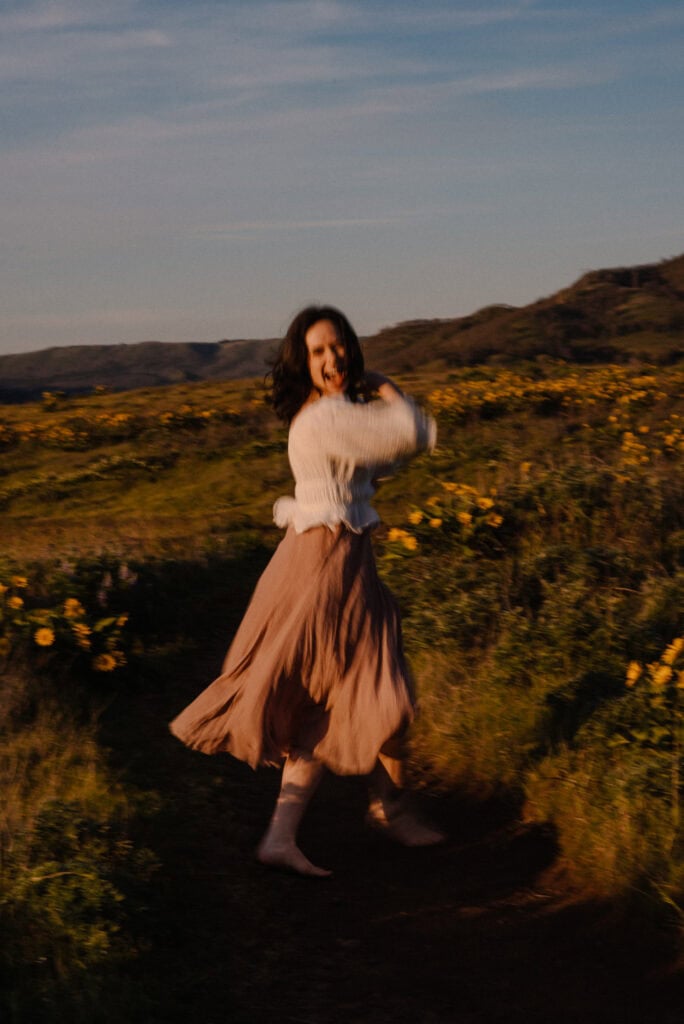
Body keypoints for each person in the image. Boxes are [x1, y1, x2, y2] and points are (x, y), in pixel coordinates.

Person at [170, 305, 443, 876]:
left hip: (344, 562)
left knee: (378, 687)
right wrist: (390, 389)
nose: (333, 358)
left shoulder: (335, 415)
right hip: (325, 567)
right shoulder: (324, 420)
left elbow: (384, 460)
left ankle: (384, 809)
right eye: (318, 351)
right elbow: (414, 434)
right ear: (303, 362)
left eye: (339, 345)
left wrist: (376, 413)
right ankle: (320, 825)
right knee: (339, 695)